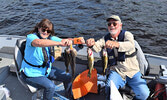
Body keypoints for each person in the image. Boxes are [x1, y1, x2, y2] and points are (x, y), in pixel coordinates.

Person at [86, 15, 150, 100]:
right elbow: (96, 47)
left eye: (114, 23)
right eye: (109, 24)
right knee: (109, 88)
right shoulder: (105, 38)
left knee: (144, 94)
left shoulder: (127, 35)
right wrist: (91, 44)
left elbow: (130, 45)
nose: (112, 26)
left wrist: (117, 44)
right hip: (116, 71)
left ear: (120, 25)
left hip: (133, 72)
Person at [20, 19, 73, 100]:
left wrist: (76, 41)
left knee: (68, 76)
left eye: (48, 31)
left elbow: (63, 40)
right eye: (43, 29)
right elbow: (39, 43)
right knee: (50, 87)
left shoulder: (50, 37)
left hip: (45, 70)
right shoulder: (31, 37)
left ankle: (70, 95)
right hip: (30, 73)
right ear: (38, 28)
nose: (45, 32)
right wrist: (59, 43)